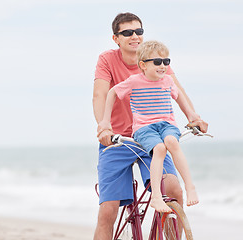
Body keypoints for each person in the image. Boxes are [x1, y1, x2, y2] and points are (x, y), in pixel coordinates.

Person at [92, 12, 208, 240]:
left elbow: (177, 91)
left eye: (139, 31)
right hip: (118, 140)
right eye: (127, 33)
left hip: (153, 137)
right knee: (108, 210)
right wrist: (103, 127)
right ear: (116, 38)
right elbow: (101, 94)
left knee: (173, 190)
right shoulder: (107, 59)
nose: (135, 36)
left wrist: (193, 116)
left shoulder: (156, 59)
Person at [99, 40, 200, 213]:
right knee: (159, 149)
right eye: (157, 62)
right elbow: (112, 92)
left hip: (166, 124)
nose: (163, 66)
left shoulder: (168, 80)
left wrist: (192, 117)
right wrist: (105, 122)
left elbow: (179, 97)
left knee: (172, 143)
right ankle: (156, 198)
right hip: (144, 128)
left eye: (166, 61)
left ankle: (190, 186)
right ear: (143, 65)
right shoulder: (134, 81)